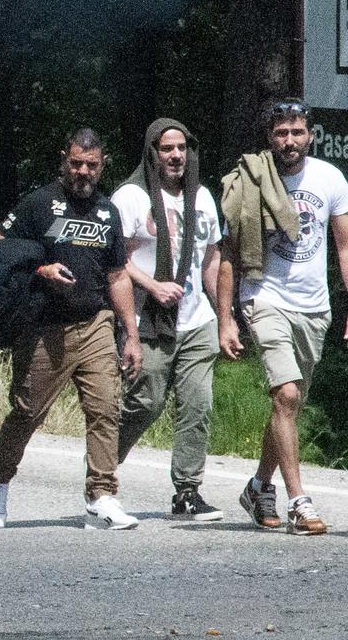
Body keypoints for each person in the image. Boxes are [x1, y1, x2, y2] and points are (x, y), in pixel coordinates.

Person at [0, 129, 142, 530]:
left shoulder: (108, 211)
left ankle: (102, 496)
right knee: (27, 412)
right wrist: (40, 269)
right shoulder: (39, 204)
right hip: (43, 328)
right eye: (75, 163)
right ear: (64, 161)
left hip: (96, 324)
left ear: (102, 165)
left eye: (90, 165)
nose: (82, 171)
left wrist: (131, 333)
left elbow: (118, 275)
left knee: (104, 409)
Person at [216, 99, 348, 536]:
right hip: (265, 297)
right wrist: (225, 318)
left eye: (296, 132)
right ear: (269, 137)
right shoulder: (250, 181)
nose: (288, 141)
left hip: (315, 308)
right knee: (287, 395)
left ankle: (258, 486)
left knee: (287, 406)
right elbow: (229, 255)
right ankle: (299, 503)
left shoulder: (330, 179)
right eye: (280, 133)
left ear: (309, 134)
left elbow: (344, 248)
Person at [112, 119, 224, 521]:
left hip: (197, 319)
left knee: (197, 405)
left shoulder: (203, 198)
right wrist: (153, 285)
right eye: (167, 149)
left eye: (182, 148)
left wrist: (225, 317)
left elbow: (212, 260)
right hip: (149, 318)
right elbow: (115, 260)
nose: (176, 155)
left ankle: (187, 492)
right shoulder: (131, 197)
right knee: (146, 401)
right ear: (152, 154)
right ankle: (102, 476)